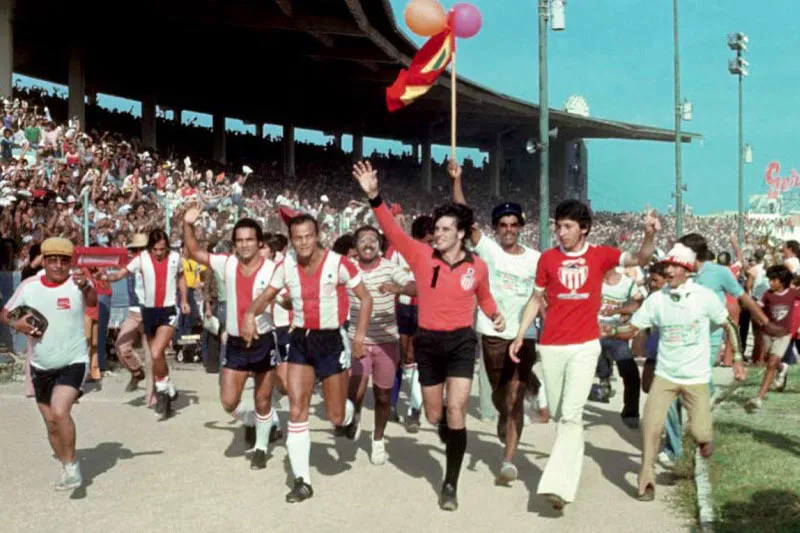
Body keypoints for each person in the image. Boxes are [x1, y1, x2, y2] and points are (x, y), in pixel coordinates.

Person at [353, 160, 504, 511]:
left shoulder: (477, 266)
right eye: (437, 228)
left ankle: (450, 483)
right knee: (435, 415)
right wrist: (375, 196)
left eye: (446, 229)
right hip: (429, 343)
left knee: (457, 410)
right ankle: (447, 435)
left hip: (462, 343)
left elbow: (484, 297)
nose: (438, 233)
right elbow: (392, 231)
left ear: (461, 233)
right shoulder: (421, 255)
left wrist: (495, 315)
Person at [511, 200, 660, 511]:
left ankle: (559, 485)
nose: (561, 232)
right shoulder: (548, 259)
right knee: (559, 411)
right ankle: (565, 475)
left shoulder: (600, 255)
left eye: (567, 227)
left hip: (584, 345)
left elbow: (641, 257)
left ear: (584, 228)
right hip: (551, 345)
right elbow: (536, 300)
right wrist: (520, 333)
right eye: (558, 226)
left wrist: (648, 235)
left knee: (573, 414)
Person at [241, 213, 372, 503]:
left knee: (335, 415)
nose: (303, 243)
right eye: (297, 237)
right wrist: (251, 312)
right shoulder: (285, 267)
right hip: (300, 338)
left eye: (308, 236)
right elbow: (267, 295)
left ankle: (350, 415)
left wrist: (359, 337)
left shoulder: (338, 263)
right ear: (291, 239)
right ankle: (302, 481)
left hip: (331, 341)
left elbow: (366, 299)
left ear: (317, 235)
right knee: (298, 407)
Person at [623, 243, 745, 501]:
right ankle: (646, 482)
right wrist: (604, 330)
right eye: (667, 265)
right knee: (650, 428)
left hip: (696, 377)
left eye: (674, 266)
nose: (668, 270)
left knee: (701, 433)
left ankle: (704, 440)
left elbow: (729, 325)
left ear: (687, 270)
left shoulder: (704, 297)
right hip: (666, 375)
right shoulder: (656, 300)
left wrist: (737, 358)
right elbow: (632, 328)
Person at [449, 161, 545, 485]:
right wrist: (458, 180)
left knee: (515, 393)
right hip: (491, 333)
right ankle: (507, 414)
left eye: (513, 224)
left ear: (521, 227)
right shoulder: (487, 250)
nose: (508, 229)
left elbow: (541, 296)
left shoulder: (535, 259)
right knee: (500, 394)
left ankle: (508, 461)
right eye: (502, 224)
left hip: (524, 332)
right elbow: (464, 215)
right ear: (496, 228)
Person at [183, 208, 284, 469]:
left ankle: (261, 447)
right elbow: (194, 252)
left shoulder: (273, 269)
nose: (244, 245)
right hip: (237, 343)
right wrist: (187, 224)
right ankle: (250, 420)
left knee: (263, 400)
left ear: (259, 242)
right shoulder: (226, 263)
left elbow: (290, 295)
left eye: (249, 239)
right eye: (239, 240)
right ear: (234, 243)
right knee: (228, 402)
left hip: (263, 342)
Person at [1, 237, 97, 490]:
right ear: (43, 261)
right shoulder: (29, 286)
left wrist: (87, 286)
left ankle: (74, 467)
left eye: (63, 261)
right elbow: (5, 313)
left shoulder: (78, 283)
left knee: (60, 411)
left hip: (73, 360)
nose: (58, 266)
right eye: (52, 260)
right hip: (40, 365)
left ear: (70, 262)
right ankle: (67, 466)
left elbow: (93, 301)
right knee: (51, 424)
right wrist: (16, 323)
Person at [101, 229, 190, 419]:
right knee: (157, 357)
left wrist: (184, 299)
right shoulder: (141, 259)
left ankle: (161, 391)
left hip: (168, 310)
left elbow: (181, 277)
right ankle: (167, 385)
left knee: (156, 352)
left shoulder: (175, 258)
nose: (159, 253)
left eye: (163, 249)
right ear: (151, 248)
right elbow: (120, 274)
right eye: (156, 249)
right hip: (147, 311)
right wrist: (106, 276)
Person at [346, 225, 415, 465]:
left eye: (373, 240)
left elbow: (415, 287)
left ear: (380, 245)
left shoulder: (390, 267)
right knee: (354, 390)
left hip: (387, 341)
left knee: (384, 396)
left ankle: (378, 439)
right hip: (358, 340)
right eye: (362, 240)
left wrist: (398, 288)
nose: (368, 244)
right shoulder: (348, 268)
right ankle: (354, 418)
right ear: (355, 247)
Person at [386, 215, 433, 433]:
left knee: (416, 357)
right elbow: (386, 275)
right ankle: (391, 405)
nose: (428, 246)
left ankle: (414, 410)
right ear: (415, 238)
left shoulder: (438, 254)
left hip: (425, 311)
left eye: (431, 242)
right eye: (425, 241)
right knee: (399, 356)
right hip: (400, 309)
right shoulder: (398, 250)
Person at [595, 266, 643, 428]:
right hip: (592, 332)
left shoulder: (627, 284)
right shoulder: (592, 278)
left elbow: (637, 302)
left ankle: (631, 412)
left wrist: (622, 311)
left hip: (617, 334)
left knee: (630, 371)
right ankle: (603, 379)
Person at [747, 265, 800, 409]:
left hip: (784, 334)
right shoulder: (767, 294)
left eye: (773, 280)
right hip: (768, 333)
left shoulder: (793, 293)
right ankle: (782, 367)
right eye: (769, 279)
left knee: (771, 364)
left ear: (782, 282)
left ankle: (759, 398)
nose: (770, 282)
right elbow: (757, 309)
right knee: (769, 360)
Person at [114, 234, 150, 395]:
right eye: (135, 249)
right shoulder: (130, 265)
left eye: (141, 249)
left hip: (150, 311)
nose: (137, 252)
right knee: (122, 347)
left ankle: (157, 389)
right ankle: (137, 372)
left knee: (152, 354)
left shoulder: (152, 266)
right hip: (134, 311)